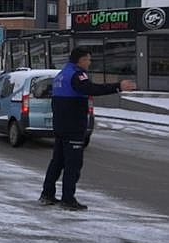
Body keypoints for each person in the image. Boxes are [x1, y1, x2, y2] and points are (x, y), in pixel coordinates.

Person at [39, 46, 136, 210]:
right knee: (73, 165)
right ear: (81, 60)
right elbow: (91, 89)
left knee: (57, 162)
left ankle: (47, 194)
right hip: (73, 127)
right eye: (88, 60)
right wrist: (117, 86)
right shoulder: (77, 75)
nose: (90, 63)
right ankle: (68, 199)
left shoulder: (61, 75)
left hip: (61, 127)